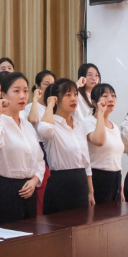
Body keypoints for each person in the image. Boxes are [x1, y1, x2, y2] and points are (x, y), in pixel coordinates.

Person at [0, 72, 45, 225]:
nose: (22, 96)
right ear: (4, 94)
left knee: (30, 235)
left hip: (28, 190)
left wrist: (34, 180)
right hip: (4, 190)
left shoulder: (27, 125)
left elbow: (40, 159)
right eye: (16, 91)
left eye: (25, 91)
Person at [37, 78, 94, 213]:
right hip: (60, 184)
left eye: (75, 94)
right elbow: (44, 130)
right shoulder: (51, 124)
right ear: (56, 99)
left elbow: (86, 162)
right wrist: (49, 105)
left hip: (81, 183)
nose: (73, 98)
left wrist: (90, 191)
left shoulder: (80, 125)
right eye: (68, 95)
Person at [85, 83, 123, 203]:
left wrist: (120, 185)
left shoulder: (115, 127)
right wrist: (100, 113)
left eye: (113, 95)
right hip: (98, 177)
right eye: (105, 96)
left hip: (116, 178)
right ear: (93, 102)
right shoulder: (88, 122)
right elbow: (99, 141)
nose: (111, 99)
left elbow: (116, 158)